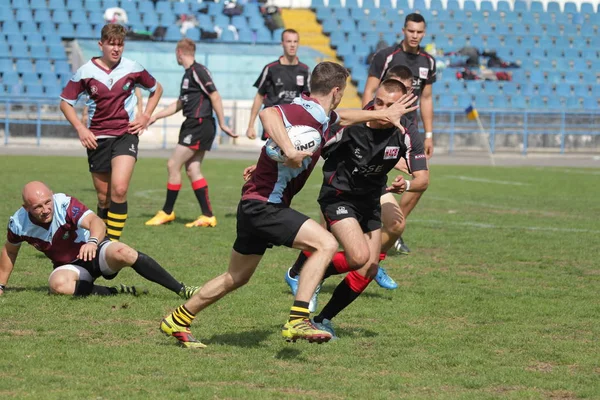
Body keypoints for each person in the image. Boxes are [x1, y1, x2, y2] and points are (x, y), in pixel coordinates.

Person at [159, 62, 416, 348]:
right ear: (336, 90)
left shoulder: (319, 114)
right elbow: (268, 113)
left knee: (237, 276)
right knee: (326, 244)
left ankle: (178, 319)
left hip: (255, 203)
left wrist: (383, 113)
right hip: (265, 206)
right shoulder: (301, 111)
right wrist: (291, 150)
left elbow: (342, 117)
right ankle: (298, 319)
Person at [288, 80, 429, 338]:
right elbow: (326, 125)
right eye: (379, 102)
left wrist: (406, 183)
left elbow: (423, 179)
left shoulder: (406, 132)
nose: (383, 109)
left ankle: (323, 317)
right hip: (338, 197)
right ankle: (308, 275)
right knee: (358, 256)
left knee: (368, 268)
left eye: (390, 105)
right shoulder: (353, 125)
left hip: (371, 200)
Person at [0, 182, 199, 299]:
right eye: (37, 207)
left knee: (124, 252)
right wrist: (1, 285)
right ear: (26, 208)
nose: (45, 210)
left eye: (47, 202)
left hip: (96, 252)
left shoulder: (64, 204)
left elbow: (97, 222)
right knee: (58, 285)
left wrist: (93, 242)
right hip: (69, 266)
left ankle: (182, 289)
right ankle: (115, 290)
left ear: (52, 197)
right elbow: (10, 251)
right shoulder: (18, 223)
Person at [60, 24, 163, 242]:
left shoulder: (133, 68)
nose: (116, 49)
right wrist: (81, 129)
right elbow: (65, 103)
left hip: (126, 135)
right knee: (104, 198)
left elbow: (157, 89)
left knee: (119, 189)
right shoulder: (85, 72)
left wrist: (145, 116)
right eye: (111, 44)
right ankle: (101, 239)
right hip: (97, 139)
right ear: (101, 44)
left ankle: (112, 245)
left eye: (120, 44)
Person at [362, 14, 436, 255]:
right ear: (403, 30)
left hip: (408, 132)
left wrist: (428, 134)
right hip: (382, 127)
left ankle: (393, 232)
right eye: (411, 31)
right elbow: (371, 90)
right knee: (360, 175)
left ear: (424, 33)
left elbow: (426, 98)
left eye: (419, 32)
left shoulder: (428, 62)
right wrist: (366, 121)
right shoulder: (386, 57)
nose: (415, 35)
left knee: (420, 181)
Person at [145, 39, 236, 228]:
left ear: (179, 52)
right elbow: (180, 103)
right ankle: (207, 216)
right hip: (194, 124)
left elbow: (215, 95)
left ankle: (167, 212)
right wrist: (156, 116)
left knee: (173, 165)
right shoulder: (189, 74)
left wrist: (222, 123)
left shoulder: (198, 71)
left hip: (199, 124)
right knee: (192, 169)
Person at [246, 29, 310, 141]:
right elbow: (259, 97)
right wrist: (251, 126)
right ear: (282, 44)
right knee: (275, 156)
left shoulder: (305, 70)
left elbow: (309, 99)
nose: (292, 45)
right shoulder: (271, 69)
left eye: (295, 42)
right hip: (274, 119)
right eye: (289, 41)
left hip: (295, 122)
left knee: (293, 157)